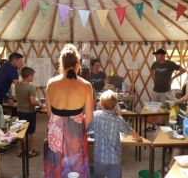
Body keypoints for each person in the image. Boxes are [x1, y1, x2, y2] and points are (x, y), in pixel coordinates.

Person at [43, 44, 94, 178]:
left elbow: (49, 113)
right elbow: (89, 118)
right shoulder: (86, 86)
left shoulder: (51, 83)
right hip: (75, 132)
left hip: (55, 129)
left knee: (55, 162)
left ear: (62, 64)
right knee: (75, 164)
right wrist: (75, 123)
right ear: (78, 64)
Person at [88, 90, 142, 178]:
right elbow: (130, 131)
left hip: (99, 158)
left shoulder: (96, 115)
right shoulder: (118, 120)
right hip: (114, 159)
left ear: (100, 104)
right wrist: (138, 138)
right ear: (115, 106)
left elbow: (88, 129)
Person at [147, 48, 186, 130]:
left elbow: (183, 70)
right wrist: (153, 78)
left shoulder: (170, 64)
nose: (156, 56)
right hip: (155, 90)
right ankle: (153, 125)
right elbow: (151, 69)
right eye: (156, 55)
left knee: (164, 109)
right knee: (154, 109)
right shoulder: (155, 64)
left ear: (162, 56)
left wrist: (173, 77)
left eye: (157, 55)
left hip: (165, 91)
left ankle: (164, 126)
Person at [15, 67, 40, 158]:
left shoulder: (18, 85)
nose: (33, 77)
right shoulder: (30, 87)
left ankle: (19, 151)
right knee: (29, 132)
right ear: (29, 76)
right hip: (29, 112)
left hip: (19, 111)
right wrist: (40, 103)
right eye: (33, 75)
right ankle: (30, 152)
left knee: (20, 131)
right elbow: (33, 102)